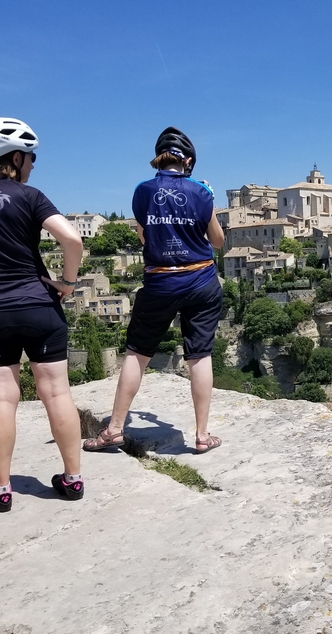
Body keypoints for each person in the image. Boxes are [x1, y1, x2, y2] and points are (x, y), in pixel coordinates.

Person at [0, 117, 85, 513]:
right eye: (32, 156)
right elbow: (72, 239)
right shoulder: (31, 196)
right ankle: (72, 480)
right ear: (15, 157)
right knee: (57, 392)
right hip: (39, 305)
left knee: (1, 399)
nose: (34, 163)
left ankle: (1, 489)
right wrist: (68, 282)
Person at [84, 126, 224, 454]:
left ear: (159, 159)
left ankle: (114, 429)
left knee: (137, 353)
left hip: (161, 281)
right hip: (201, 280)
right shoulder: (202, 191)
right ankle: (202, 435)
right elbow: (217, 241)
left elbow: (145, 238)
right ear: (188, 160)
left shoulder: (142, 191)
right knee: (200, 355)